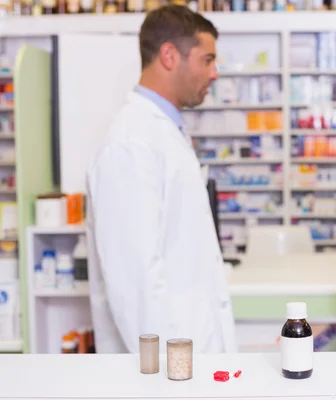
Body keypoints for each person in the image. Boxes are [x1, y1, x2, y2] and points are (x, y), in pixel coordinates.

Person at [85, 5, 236, 353]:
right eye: (207, 60)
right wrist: (169, 375)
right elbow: (135, 280)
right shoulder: (129, 144)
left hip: (189, 356)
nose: (215, 74)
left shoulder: (162, 133)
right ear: (169, 56)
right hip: (166, 369)